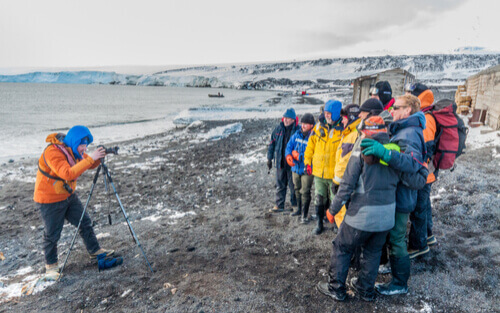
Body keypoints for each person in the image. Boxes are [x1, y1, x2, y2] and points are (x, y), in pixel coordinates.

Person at [317, 116, 400, 302]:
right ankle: (365, 290)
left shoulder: (361, 148)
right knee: (372, 251)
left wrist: (332, 209)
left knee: (342, 247)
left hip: (361, 215)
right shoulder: (395, 150)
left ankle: (336, 288)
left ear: (366, 131)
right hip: (386, 216)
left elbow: (347, 184)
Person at [361, 94, 427, 295]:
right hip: (399, 195)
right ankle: (396, 271)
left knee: (397, 238)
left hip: (402, 196)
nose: (392, 111)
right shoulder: (406, 129)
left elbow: (411, 163)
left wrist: (385, 153)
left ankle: (399, 283)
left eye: (396, 108)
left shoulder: (409, 133)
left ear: (408, 110)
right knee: (394, 237)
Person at [34, 125, 117, 279]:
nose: (84, 148)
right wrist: (92, 157)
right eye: (82, 144)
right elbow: (67, 173)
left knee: (84, 222)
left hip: (68, 196)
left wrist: (100, 155)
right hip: (49, 200)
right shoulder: (53, 152)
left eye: (86, 144)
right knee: (52, 234)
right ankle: (51, 266)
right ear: (73, 141)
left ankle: (94, 251)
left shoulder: (72, 150)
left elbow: (89, 163)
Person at [405, 83, 438, 258]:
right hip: (427, 172)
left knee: (418, 209)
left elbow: (425, 148)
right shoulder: (425, 114)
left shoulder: (426, 118)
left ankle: (418, 245)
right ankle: (428, 236)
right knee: (424, 206)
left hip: (424, 174)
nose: (407, 95)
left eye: (410, 93)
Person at [304, 100, 344, 235]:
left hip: (334, 174)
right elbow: (310, 146)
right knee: (319, 198)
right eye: (325, 113)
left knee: (335, 200)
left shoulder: (343, 129)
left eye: (329, 113)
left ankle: (337, 224)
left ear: (337, 113)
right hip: (319, 172)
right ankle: (320, 223)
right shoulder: (318, 127)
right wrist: (307, 162)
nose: (326, 116)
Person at [331, 104, 361, 227]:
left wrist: (336, 182)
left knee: (343, 211)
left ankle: (343, 233)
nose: (342, 120)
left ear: (351, 118)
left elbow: (344, 161)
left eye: (344, 118)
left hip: (345, 180)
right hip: (351, 179)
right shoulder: (352, 132)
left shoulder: (352, 135)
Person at [285, 113, 315, 223]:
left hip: (307, 169)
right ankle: (299, 209)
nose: (303, 126)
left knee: (305, 191)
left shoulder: (314, 136)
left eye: (306, 124)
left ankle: (305, 214)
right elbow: (289, 146)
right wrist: (288, 155)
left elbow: (314, 153)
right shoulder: (296, 134)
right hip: (295, 168)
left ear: (311, 125)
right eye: (302, 123)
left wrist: (299, 156)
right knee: (296, 188)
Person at [267, 108, 299, 213]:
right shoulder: (278, 129)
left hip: (293, 164)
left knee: (293, 186)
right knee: (280, 185)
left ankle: (295, 205)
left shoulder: (298, 131)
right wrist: (269, 158)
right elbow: (272, 144)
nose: (285, 120)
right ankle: (279, 205)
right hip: (280, 162)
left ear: (293, 120)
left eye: (288, 118)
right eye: (284, 117)